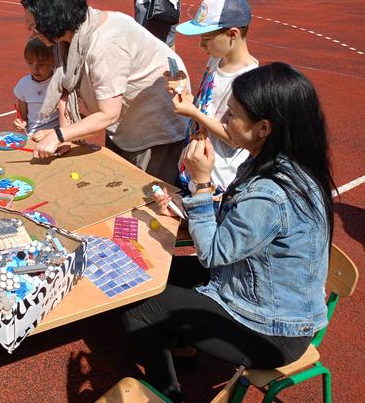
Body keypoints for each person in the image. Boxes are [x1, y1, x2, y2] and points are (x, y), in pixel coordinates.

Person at [122, 62, 334, 402]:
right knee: (155, 274)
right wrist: (191, 206)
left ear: (264, 127)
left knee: (141, 304)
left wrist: (202, 185)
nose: (222, 123)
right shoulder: (285, 163)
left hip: (272, 329)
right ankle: (177, 346)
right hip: (255, 288)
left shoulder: (271, 191)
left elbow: (212, 254)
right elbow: (238, 228)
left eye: (231, 115)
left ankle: (167, 394)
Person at [21, 0, 190, 184]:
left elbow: (108, 114)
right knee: (120, 177)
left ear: (53, 22)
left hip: (154, 126)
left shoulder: (105, 44)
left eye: (34, 26)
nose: (31, 32)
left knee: (145, 191)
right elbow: (66, 89)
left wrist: (59, 135)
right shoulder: (76, 34)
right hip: (126, 119)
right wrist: (65, 136)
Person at [167, 0, 258, 200]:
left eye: (206, 39)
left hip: (217, 181)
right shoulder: (218, 59)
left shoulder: (249, 80)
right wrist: (184, 92)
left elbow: (237, 138)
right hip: (193, 165)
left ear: (232, 34)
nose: (201, 45)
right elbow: (207, 106)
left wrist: (193, 113)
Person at [13, 38, 60, 135]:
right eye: (30, 63)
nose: (35, 68)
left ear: (54, 62)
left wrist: (49, 133)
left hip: (56, 135)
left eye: (41, 64)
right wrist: (19, 123)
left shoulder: (59, 82)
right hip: (32, 137)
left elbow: (69, 121)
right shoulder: (23, 85)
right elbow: (23, 117)